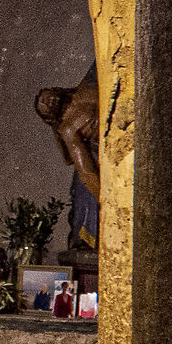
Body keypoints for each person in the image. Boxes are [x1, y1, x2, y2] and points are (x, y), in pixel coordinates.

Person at [35, 65, 102, 253]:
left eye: (45, 97)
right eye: (45, 106)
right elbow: (87, 172)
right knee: (83, 190)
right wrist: (105, 202)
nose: (48, 102)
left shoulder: (86, 86)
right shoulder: (68, 129)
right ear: (50, 119)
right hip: (112, 154)